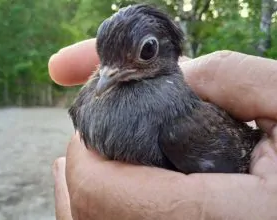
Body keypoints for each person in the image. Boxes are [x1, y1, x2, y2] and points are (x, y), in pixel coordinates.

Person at [49, 38, 277, 220]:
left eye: (146, 50)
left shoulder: (184, 122)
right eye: (105, 58)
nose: (105, 75)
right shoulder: (90, 99)